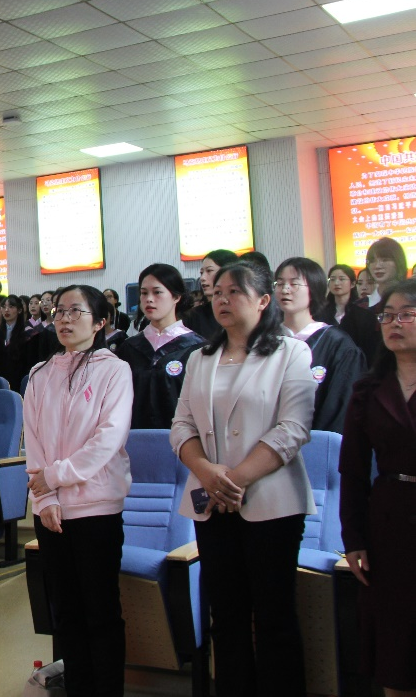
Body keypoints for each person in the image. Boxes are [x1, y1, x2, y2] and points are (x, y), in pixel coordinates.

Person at [170, 261, 316, 697]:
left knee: (274, 618)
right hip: (211, 504)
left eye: (234, 292)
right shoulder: (200, 358)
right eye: (217, 292)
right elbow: (181, 425)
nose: (222, 299)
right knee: (226, 617)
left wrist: (231, 480)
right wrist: (205, 471)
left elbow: (293, 428)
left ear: (263, 300)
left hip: (272, 503)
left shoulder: (291, 353)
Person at [24, 284, 133, 697]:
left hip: (96, 508)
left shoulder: (114, 370)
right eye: (59, 311)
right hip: (51, 511)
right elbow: (33, 441)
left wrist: (55, 477)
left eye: (76, 311)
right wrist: (46, 497)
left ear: (100, 321)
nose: (64, 319)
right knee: (66, 612)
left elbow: (108, 440)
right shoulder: (40, 374)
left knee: (101, 612)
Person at [340, 278, 416, 696]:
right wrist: (354, 539)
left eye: (406, 315)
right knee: (394, 641)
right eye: (387, 316)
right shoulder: (368, 390)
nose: (394, 324)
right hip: (389, 522)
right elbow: (352, 472)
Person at [275, 257, 367, 433]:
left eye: (294, 284)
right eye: (279, 283)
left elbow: (340, 407)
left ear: (314, 289)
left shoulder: (337, 345)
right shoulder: (265, 341)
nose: (285, 289)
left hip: (316, 441)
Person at [116, 264, 206, 430]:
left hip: (183, 439)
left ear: (176, 297)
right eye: (144, 293)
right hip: (135, 438)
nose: (149, 299)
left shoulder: (196, 347)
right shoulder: (129, 348)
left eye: (157, 292)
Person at [319, 264, 381, 364]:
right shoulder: (320, 313)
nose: (336, 283)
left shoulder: (363, 314)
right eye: (332, 279)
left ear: (352, 284)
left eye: (341, 279)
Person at [183, 249, 239, 340]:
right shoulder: (194, 316)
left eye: (209, 271)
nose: (202, 278)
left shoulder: (242, 311)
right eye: (201, 273)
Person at [0, 294, 33, 393]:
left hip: (20, 381)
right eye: (3, 307)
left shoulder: (28, 334)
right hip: (0, 382)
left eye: (11, 306)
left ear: (19, 310)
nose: (6, 310)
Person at [366, 237, 407, 305]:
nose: (377, 266)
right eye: (372, 261)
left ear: (398, 262)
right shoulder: (360, 306)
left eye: (385, 260)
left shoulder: (411, 301)